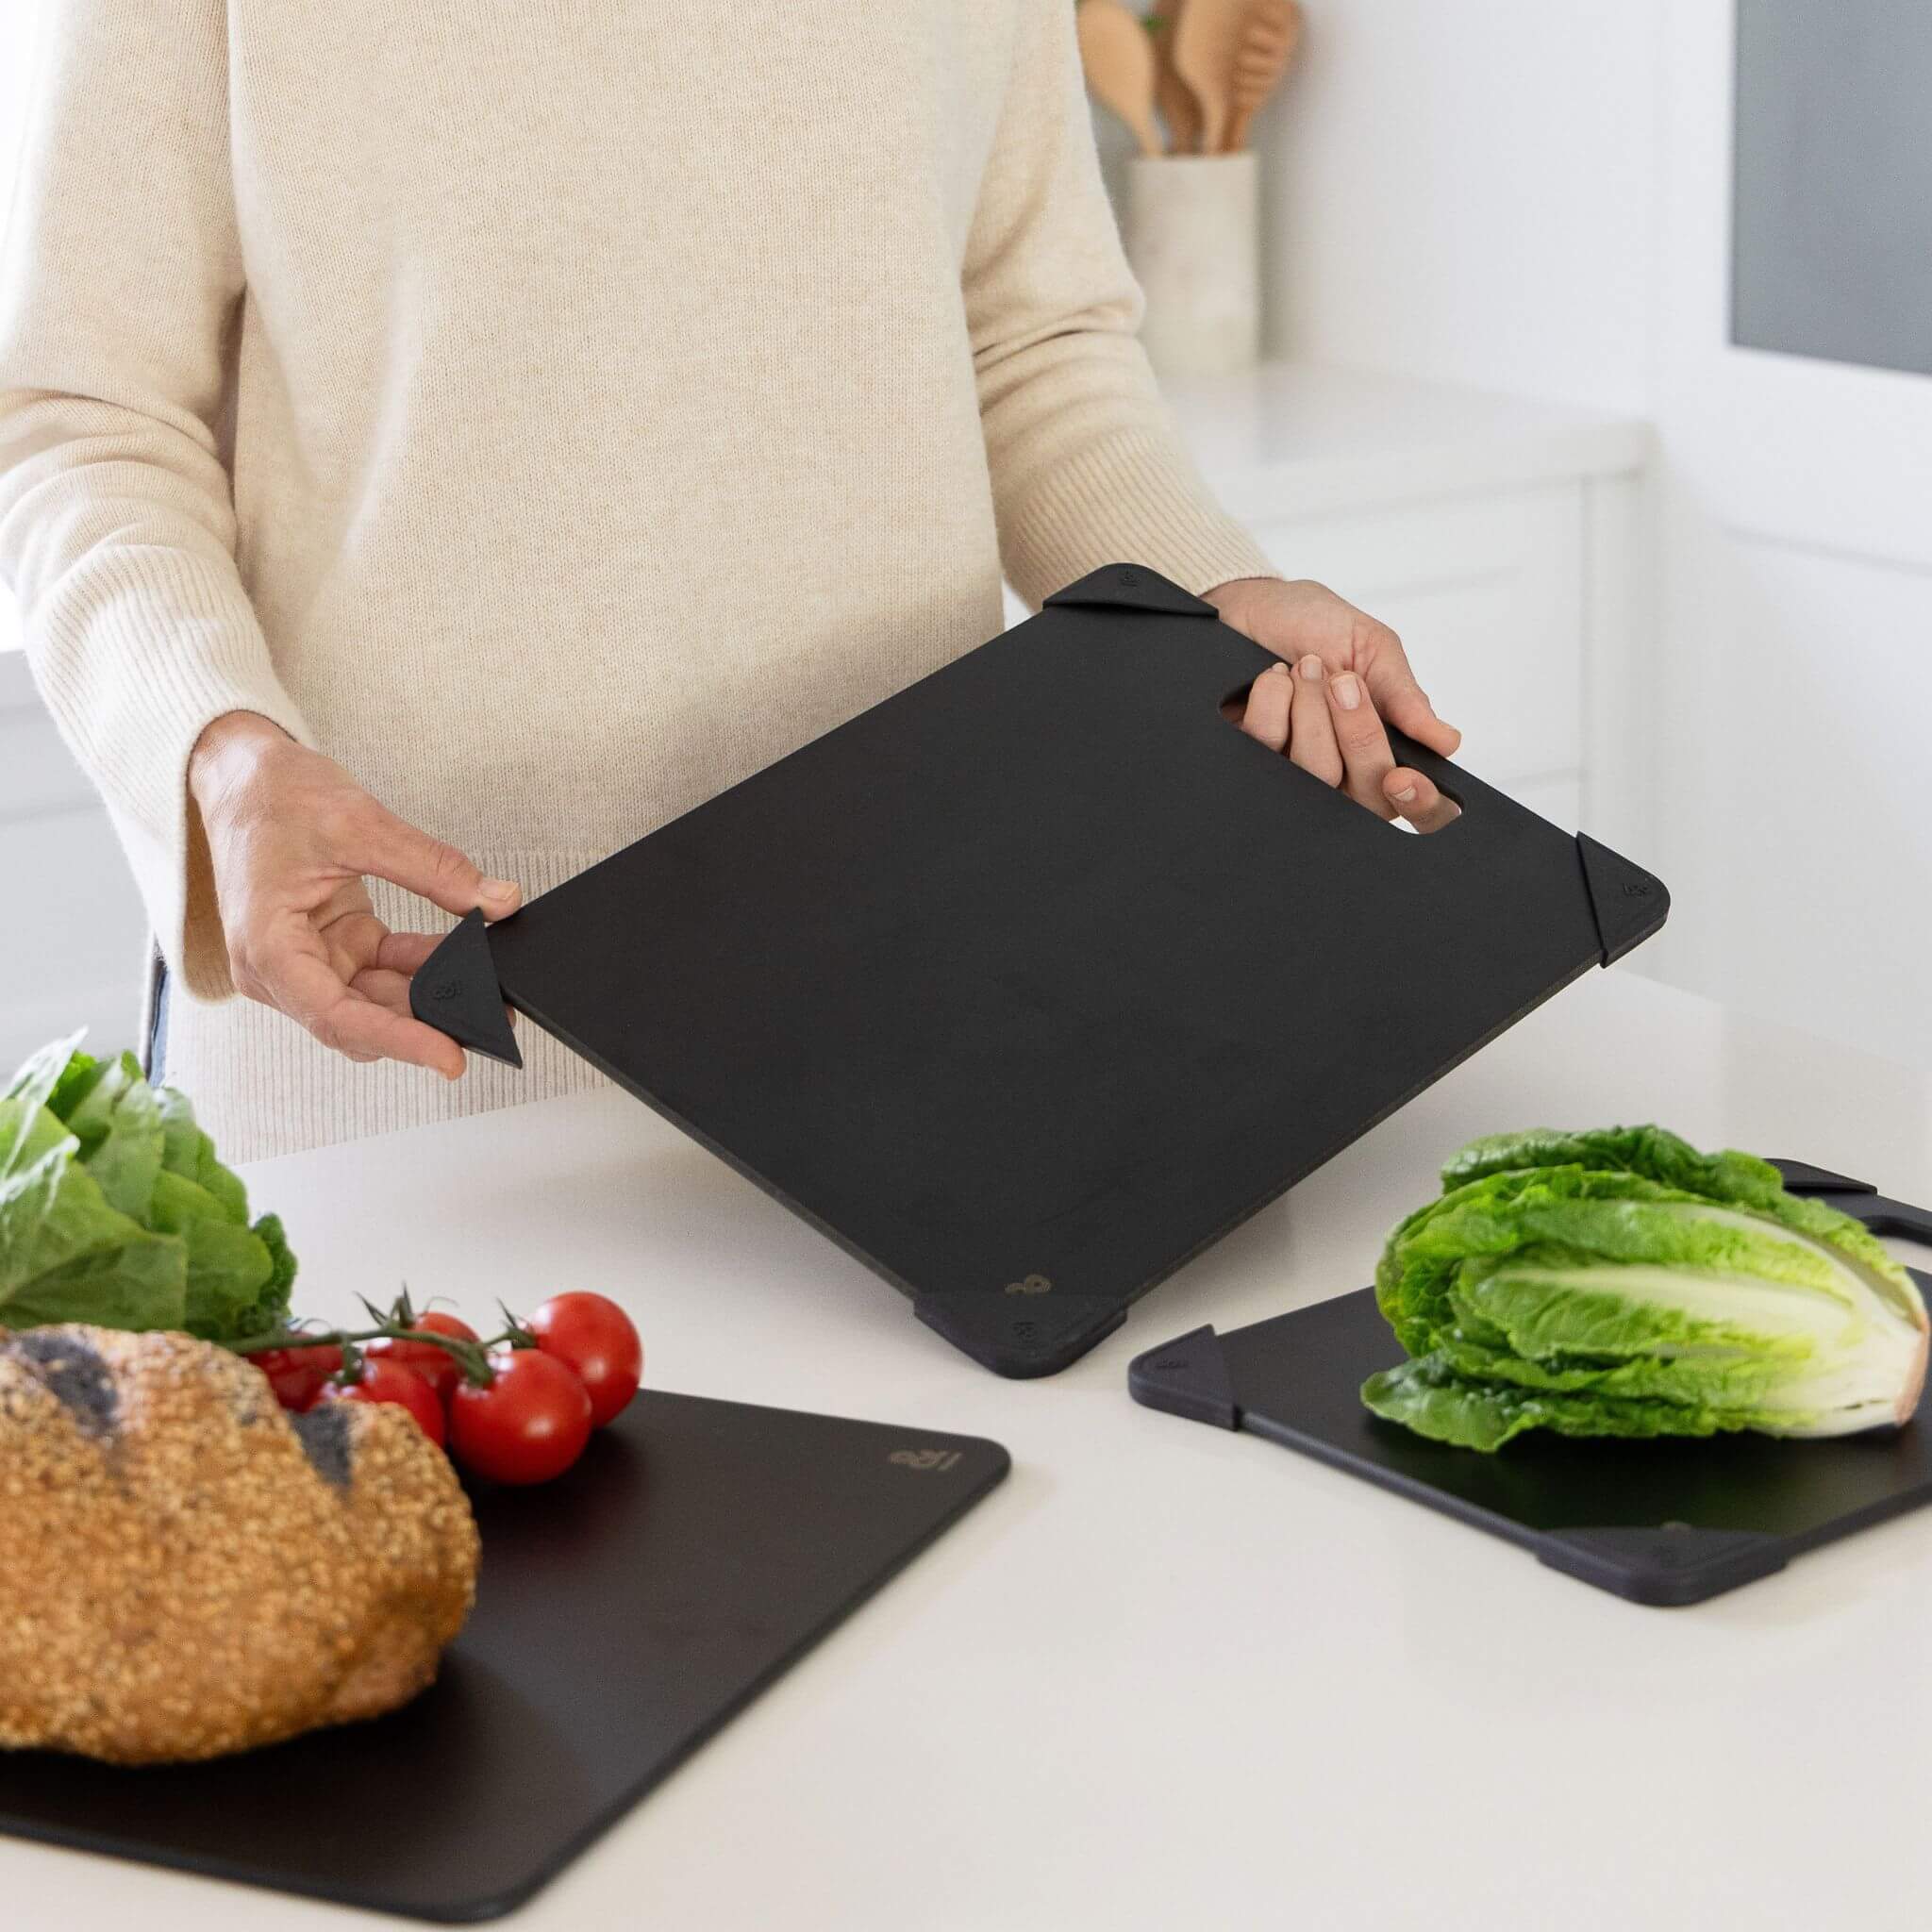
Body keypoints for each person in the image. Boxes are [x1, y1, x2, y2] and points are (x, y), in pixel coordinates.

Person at [0, 2, 1460, 1163]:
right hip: (401, 1061)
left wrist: (1208, 599)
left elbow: (1027, 338)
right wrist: (219, 754)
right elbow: (80, 421)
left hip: (905, 1014)